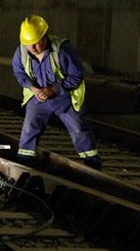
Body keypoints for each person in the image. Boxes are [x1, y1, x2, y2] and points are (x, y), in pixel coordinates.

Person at [12, 15, 101, 169]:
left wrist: (53, 88)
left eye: (35, 43)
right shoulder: (22, 52)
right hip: (38, 98)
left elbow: (77, 75)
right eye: (28, 44)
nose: (32, 48)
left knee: (79, 130)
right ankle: (24, 164)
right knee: (29, 129)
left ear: (44, 37)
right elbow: (20, 74)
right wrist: (34, 89)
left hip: (64, 97)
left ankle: (93, 166)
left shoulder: (62, 49)